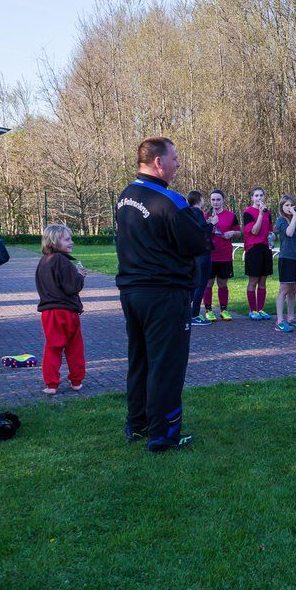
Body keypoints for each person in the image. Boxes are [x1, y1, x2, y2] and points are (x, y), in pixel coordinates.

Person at [115, 137, 211, 452]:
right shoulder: (169, 200)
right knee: (166, 363)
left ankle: (137, 422)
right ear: (158, 162)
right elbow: (197, 243)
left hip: (132, 292)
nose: (177, 164)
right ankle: (164, 432)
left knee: (140, 358)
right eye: (174, 157)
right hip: (164, 294)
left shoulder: (126, 196)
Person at [35, 223, 86, 395]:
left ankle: (51, 384)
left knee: (52, 347)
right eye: (67, 239)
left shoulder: (44, 261)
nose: (71, 242)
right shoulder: (62, 261)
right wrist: (79, 275)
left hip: (49, 312)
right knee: (74, 347)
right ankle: (76, 381)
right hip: (66, 311)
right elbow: (72, 287)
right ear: (55, 241)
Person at [203, 189, 240, 320]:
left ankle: (224, 310)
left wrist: (232, 233)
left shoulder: (230, 215)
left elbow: (238, 232)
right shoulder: (205, 215)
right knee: (208, 283)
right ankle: (208, 311)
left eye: (218, 199)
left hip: (225, 255)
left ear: (223, 200)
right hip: (210, 255)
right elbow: (200, 232)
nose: (215, 202)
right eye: (213, 199)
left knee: (223, 284)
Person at [273, 194, 296, 332]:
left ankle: (291, 317)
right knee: (284, 290)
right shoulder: (281, 220)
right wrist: (294, 217)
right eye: (286, 205)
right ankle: (280, 320)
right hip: (287, 258)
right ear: (281, 207)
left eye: (292, 205)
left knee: (293, 290)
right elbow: (289, 233)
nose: (290, 208)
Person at [241, 186, 274, 320]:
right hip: (253, 249)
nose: (259, 198)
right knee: (253, 280)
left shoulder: (268, 212)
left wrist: (272, 236)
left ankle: (260, 309)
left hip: (265, 248)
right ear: (252, 198)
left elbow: (270, 230)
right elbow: (254, 231)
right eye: (256, 196)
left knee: (263, 281)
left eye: (261, 195)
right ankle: (252, 309)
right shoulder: (248, 212)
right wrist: (260, 214)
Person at [186, 190, 214, 326]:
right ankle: (194, 315)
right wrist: (212, 223)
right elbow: (203, 232)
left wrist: (207, 223)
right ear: (199, 200)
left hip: (194, 254)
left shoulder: (188, 213)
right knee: (200, 285)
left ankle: (187, 313)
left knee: (194, 285)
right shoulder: (197, 212)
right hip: (202, 254)